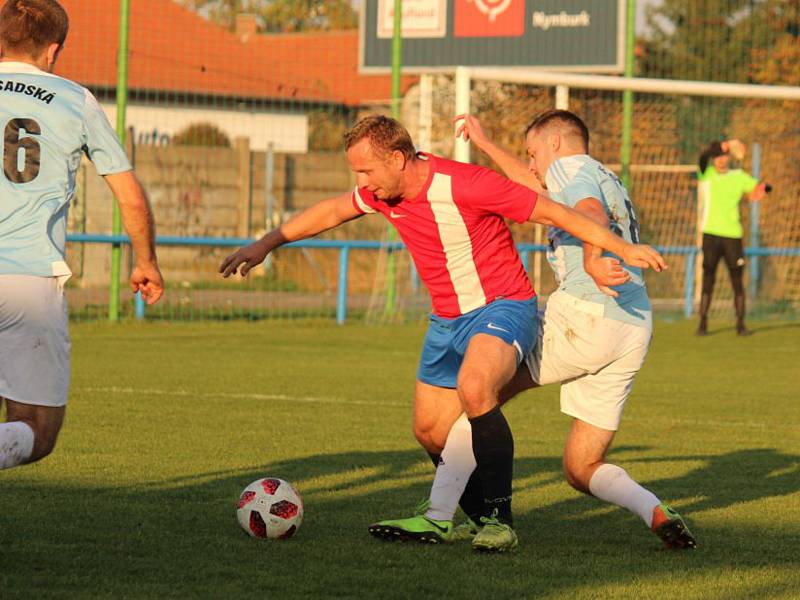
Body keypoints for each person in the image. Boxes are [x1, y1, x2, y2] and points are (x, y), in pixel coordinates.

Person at [221, 114, 667, 552]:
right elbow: (332, 211)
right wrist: (265, 244)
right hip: (447, 320)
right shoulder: (383, 195)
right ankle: (457, 518)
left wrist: (619, 248)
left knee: (476, 388)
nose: (362, 181)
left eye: (366, 170)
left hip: (504, 306)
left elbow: (556, 210)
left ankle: (499, 520)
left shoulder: (467, 184)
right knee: (431, 430)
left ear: (397, 158)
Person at [369, 110, 696, 551]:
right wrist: (485, 145)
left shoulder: (568, 167)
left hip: (587, 315)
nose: (535, 164)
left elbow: (588, 213)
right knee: (581, 466)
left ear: (556, 144)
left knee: (477, 397)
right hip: (632, 326)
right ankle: (654, 510)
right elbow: (532, 190)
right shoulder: (600, 173)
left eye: (533, 153)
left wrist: (596, 258)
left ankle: (438, 516)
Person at [0, 0, 163, 470]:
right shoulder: (74, 100)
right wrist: (146, 261)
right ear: (53, 51)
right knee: (37, 426)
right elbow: (129, 194)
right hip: (28, 282)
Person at [696, 139, 767, 336]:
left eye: (723, 155)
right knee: (708, 278)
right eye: (717, 155)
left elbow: (764, 186)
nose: (720, 159)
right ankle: (702, 323)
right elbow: (702, 157)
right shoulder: (706, 174)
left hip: (732, 236)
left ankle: (740, 325)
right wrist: (725, 144)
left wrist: (761, 192)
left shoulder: (738, 176)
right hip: (710, 234)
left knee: (737, 280)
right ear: (714, 158)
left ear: (729, 158)